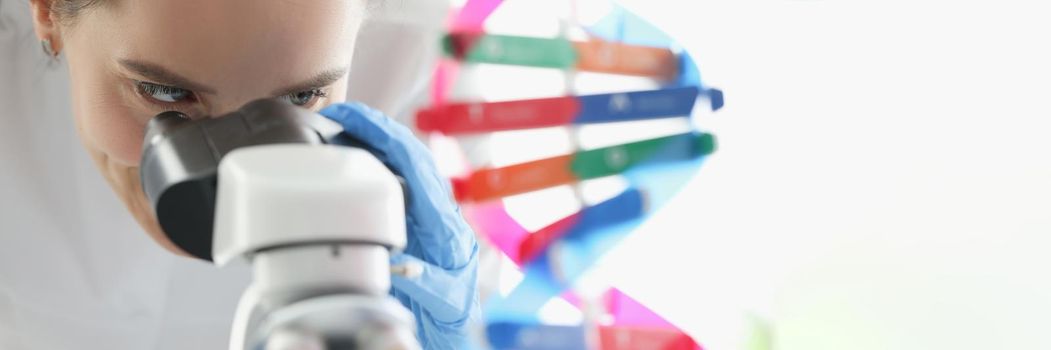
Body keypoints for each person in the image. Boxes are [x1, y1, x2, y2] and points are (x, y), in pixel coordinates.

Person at [0, 0, 479, 349]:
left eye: (298, 99)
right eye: (165, 94)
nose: (229, 172)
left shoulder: (422, 68)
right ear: (47, 10)